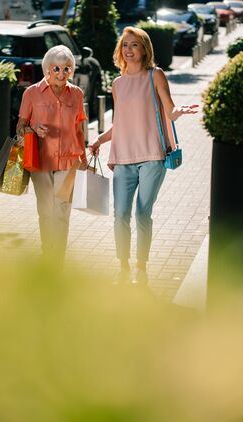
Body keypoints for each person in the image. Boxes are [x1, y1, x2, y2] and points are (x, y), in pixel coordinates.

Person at [89, 27, 198, 285]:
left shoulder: (155, 76)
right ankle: (123, 267)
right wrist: (99, 139)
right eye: (125, 45)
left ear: (144, 49)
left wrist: (180, 110)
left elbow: (169, 111)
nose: (129, 50)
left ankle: (141, 267)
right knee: (120, 215)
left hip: (152, 157)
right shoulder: (117, 83)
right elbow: (122, 123)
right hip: (123, 158)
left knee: (142, 214)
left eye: (134, 45)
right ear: (120, 50)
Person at [16, 45, 87, 260]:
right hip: (41, 160)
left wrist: (83, 155)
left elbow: (79, 127)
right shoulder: (32, 93)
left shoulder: (76, 94)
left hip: (69, 160)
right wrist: (33, 130)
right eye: (57, 68)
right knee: (46, 210)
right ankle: (48, 253)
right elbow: (20, 127)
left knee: (62, 210)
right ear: (47, 69)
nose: (62, 73)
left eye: (67, 69)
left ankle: (58, 258)